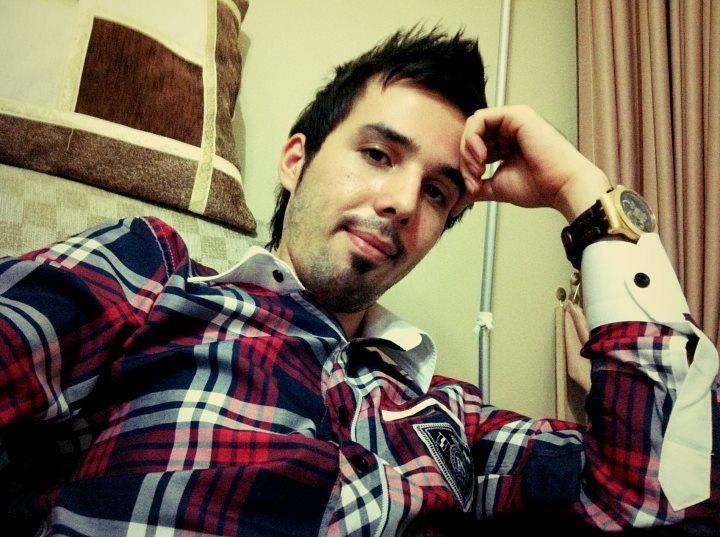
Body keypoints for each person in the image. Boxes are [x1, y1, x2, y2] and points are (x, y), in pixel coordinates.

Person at [0, 27, 717, 536]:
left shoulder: (451, 418)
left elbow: (659, 495)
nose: (403, 202)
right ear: (295, 160)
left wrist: (588, 199)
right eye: (377, 154)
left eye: (437, 192)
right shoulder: (152, 274)